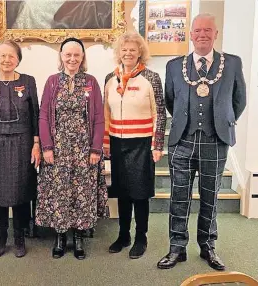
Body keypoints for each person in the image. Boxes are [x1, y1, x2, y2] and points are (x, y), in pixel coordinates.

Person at [157, 13, 246, 271]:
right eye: (198, 31)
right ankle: (177, 247)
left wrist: (222, 120)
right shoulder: (175, 66)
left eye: (208, 30)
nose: (203, 34)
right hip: (182, 141)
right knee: (179, 197)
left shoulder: (231, 63)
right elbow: (170, 100)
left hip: (215, 141)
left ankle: (208, 246)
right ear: (191, 34)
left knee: (210, 197)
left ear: (215, 34)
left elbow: (239, 100)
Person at [36, 38, 107, 260]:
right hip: (57, 149)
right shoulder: (52, 82)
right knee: (59, 191)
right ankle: (59, 237)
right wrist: (46, 146)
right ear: (61, 56)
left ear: (83, 57)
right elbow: (44, 116)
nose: (72, 59)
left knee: (81, 192)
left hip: (84, 149)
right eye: (68, 55)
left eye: (77, 55)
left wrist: (96, 148)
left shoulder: (91, 82)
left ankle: (78, 237)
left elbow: (98, 118)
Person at [103, 31, 166, 259]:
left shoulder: (151, 77)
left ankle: (141, 237)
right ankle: (123, 235)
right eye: (124, 49)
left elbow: (160, 113)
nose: (128, 53)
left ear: (140, 52)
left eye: (132, 49)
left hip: (142, 144)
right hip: (118, 143)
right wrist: (105, 142)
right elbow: (106, 112)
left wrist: (157, 144)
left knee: (140, 193)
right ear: (119, 53)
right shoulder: (111, 77)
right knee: (122, 192)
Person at [0, 40, 40, 258]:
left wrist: (36, 145)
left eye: (11, 56)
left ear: (18, 59)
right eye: (2, 56)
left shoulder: (28, 81)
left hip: (23, 144)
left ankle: (20, 237)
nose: (7, 60)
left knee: (21, 190)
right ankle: (1, 237)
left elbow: (35, 117)